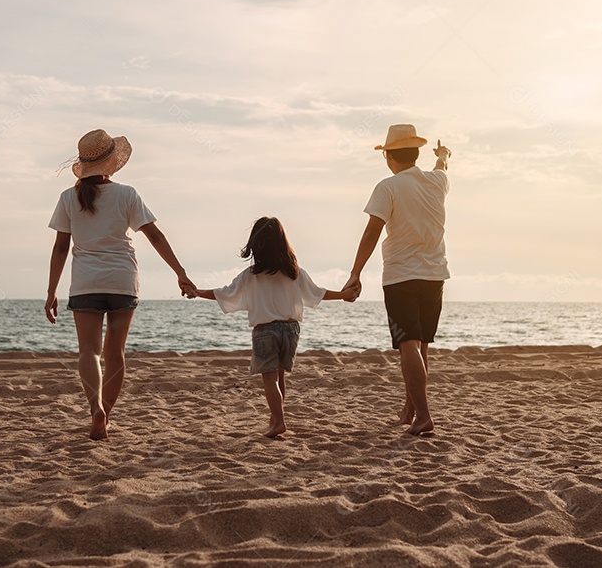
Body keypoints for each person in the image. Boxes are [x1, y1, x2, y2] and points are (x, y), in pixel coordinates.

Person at [45, 129, 195, 440]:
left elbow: (61, 248)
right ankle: (106, 415)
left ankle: (95, 407)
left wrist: (51, 291)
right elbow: (155, 236)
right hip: (122, 280)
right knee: (116, 354)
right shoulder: (127, 194)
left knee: (88, 351)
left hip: (86, 282)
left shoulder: (68, 198)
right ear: (112, 162)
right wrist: (180, 272)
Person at [187, 217, 355, 437]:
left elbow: (223, 293)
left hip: (265, 331)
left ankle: (279, 421)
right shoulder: (294, 272)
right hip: (291, 330)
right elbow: (318, 293)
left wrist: (197, 291)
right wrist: (344, 295)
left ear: (255, 245)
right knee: (280, 376)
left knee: (269, 378)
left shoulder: (251, 275)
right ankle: (275, 417)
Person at [342, 124, 451, 436]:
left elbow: (372, 232)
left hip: (402, 276)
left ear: (389, 155)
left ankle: (424, 416)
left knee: (408, 345)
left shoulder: (387, 187)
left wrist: (355, 273)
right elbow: (442, 165)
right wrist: (443, 154)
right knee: (421, 346)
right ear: (416, 154)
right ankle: (411, 409)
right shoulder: (437, 180)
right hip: (434, 275)